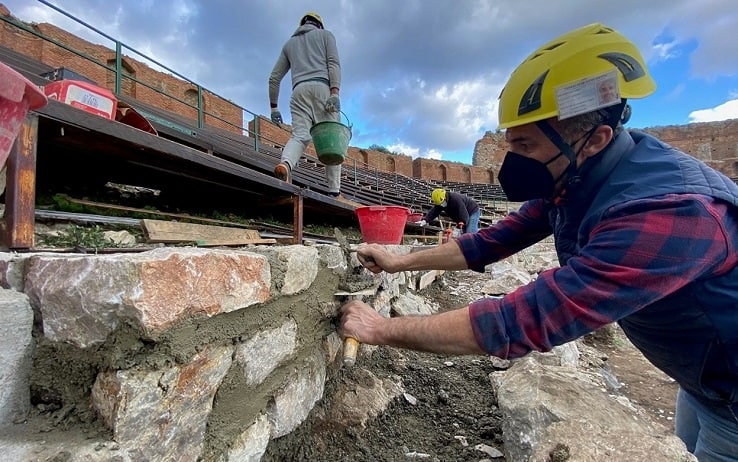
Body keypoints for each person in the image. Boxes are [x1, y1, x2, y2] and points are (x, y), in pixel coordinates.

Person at [340, 23, 738, 461]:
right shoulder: (576, 180)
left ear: (595, 139)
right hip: (702, 380)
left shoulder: (669, 213)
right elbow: (489, 242)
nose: (513, 161)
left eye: (525, 145)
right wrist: (399, 261)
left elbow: (528, 318)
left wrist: (380, 329)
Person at [268, 12, 343, 197]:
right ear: (319, 25)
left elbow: (273, 79)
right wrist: (334, 92)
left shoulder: (289, 44)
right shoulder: (326, 35)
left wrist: (274, 107)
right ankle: (334, 190)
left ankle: (285, 164)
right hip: (322, 88)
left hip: (298, 91)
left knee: (300, 136)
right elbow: (333, 63)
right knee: (332, 138)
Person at [415, 188, 481, 234]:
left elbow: (462, 211)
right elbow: (434, 212)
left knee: (470, 232)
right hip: (463, 215)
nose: (441, 205)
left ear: (445, 197)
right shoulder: (440, 203)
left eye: (442, 202)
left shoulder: (455, 199)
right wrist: (425, 220)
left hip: (472, 211)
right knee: (464, 234)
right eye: (439, 204)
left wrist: (462, 221)